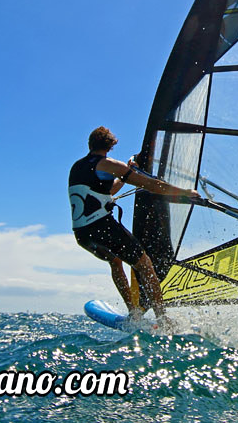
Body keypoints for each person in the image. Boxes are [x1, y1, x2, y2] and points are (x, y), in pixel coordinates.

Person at [69, 126, 198, 325]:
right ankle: (163, 319)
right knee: (145, 264)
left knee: (115, 261)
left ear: (90, 145)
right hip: (102, 228)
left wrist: (124, 174)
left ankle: (133, 312)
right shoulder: (108, 164)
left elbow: (108, 191)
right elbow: (152, 185)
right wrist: (183, 192)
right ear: (111, 146)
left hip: (83, 235)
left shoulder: (78, 167)